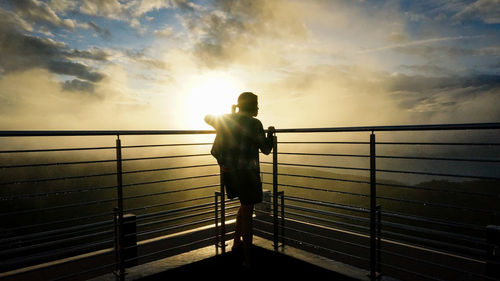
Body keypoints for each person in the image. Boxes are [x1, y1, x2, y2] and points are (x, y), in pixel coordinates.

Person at [205, 92, 274, 268]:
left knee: (244, 207)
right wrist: (271, 135)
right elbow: (266, 150)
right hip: (248, 174)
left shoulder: (227, 120)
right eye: (257, 105)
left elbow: (207, 118)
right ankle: (248, 259)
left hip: (230, 173)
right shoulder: (255, 123)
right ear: (252, 106)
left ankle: (236, 242)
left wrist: (233, 112)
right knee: (248, 215)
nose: (258, 108)